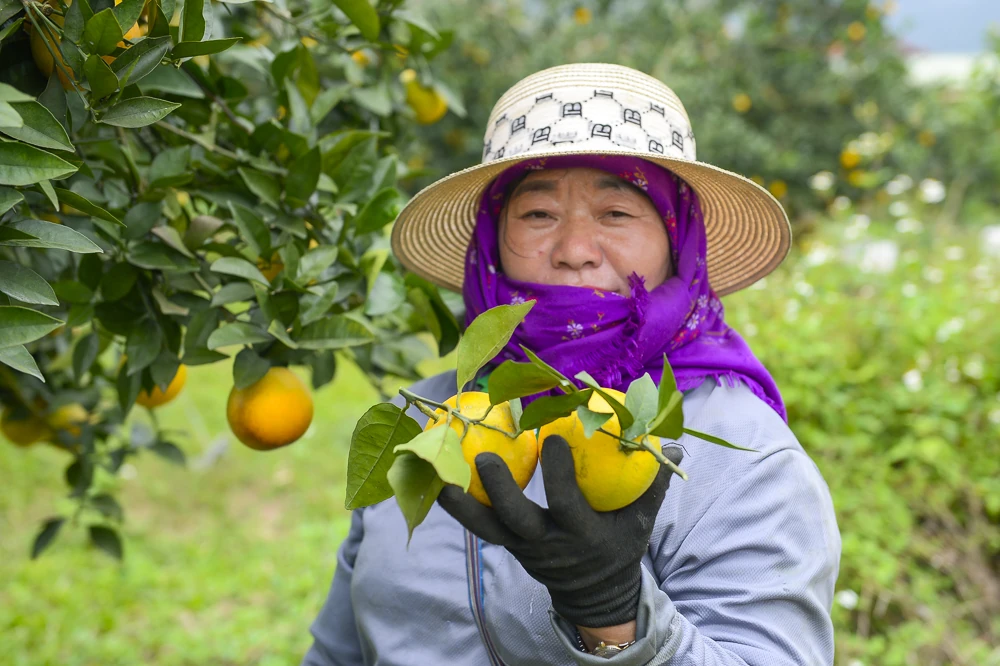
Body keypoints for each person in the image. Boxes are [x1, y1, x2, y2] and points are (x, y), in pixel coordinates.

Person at [302, 63, 841, 665]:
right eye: (538, 215)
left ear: (677, 240)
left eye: (616, 214)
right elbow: (338, 651)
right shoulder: (423, 421)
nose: (575, 252)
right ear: (491, 239)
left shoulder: (743, 453)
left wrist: (612, 612)